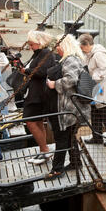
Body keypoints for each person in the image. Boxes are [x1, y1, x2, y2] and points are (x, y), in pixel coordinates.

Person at [44, 34, 91, 180]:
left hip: (69, 107)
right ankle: (75, 162)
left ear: (64, 46)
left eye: (58, 45)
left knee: (62, 137)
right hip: (72, 107)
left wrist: (54, 84)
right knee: (70, 136)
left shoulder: (70, 60)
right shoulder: (74, 59)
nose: (57, 48)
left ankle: (57, 170)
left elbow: (71, 79)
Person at [79, 33, 106, 147]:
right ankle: (97, 137)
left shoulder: (98, 55)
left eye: (82, 47)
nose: (81, 49)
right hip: (97, 90)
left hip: (105, 90)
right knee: (95, 113)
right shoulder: (90, 53)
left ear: (87, 45)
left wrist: (93, 77)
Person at [22, 30, 55, 165]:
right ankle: (44, 150)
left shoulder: (46, 54)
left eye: (32, 44)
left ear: (39, 43)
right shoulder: (38, 54)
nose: (30, 47)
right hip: (34, 93)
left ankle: (44, 149)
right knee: (38, 122)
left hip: (38, 95)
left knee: (29, 121)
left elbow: (41, 72)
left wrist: (27, 71)